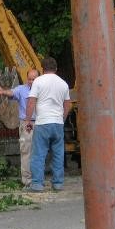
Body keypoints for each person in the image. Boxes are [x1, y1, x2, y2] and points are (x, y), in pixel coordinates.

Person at [24, 57, 71, 192]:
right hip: (57, 123)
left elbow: (31, 102)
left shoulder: (38, 81)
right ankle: (57, 183)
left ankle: (37, 184)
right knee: (58, 154)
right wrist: (62, 118)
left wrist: (28, 121)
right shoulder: (63, 83)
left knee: (39, 154)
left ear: (42, 69)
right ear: (56, 69)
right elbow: (67, 104)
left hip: (43, 122)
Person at [0, 69, 40, 187]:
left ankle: (38, 179)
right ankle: (27, 181)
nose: (31, 81)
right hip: (27, 124)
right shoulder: (21, 89)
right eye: (29, 79)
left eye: (34, 79)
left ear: (39, 79)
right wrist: (3, 92)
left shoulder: (43, 89)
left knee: (39, 152)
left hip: (41, 124)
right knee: (26, 152)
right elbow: (12, 93)